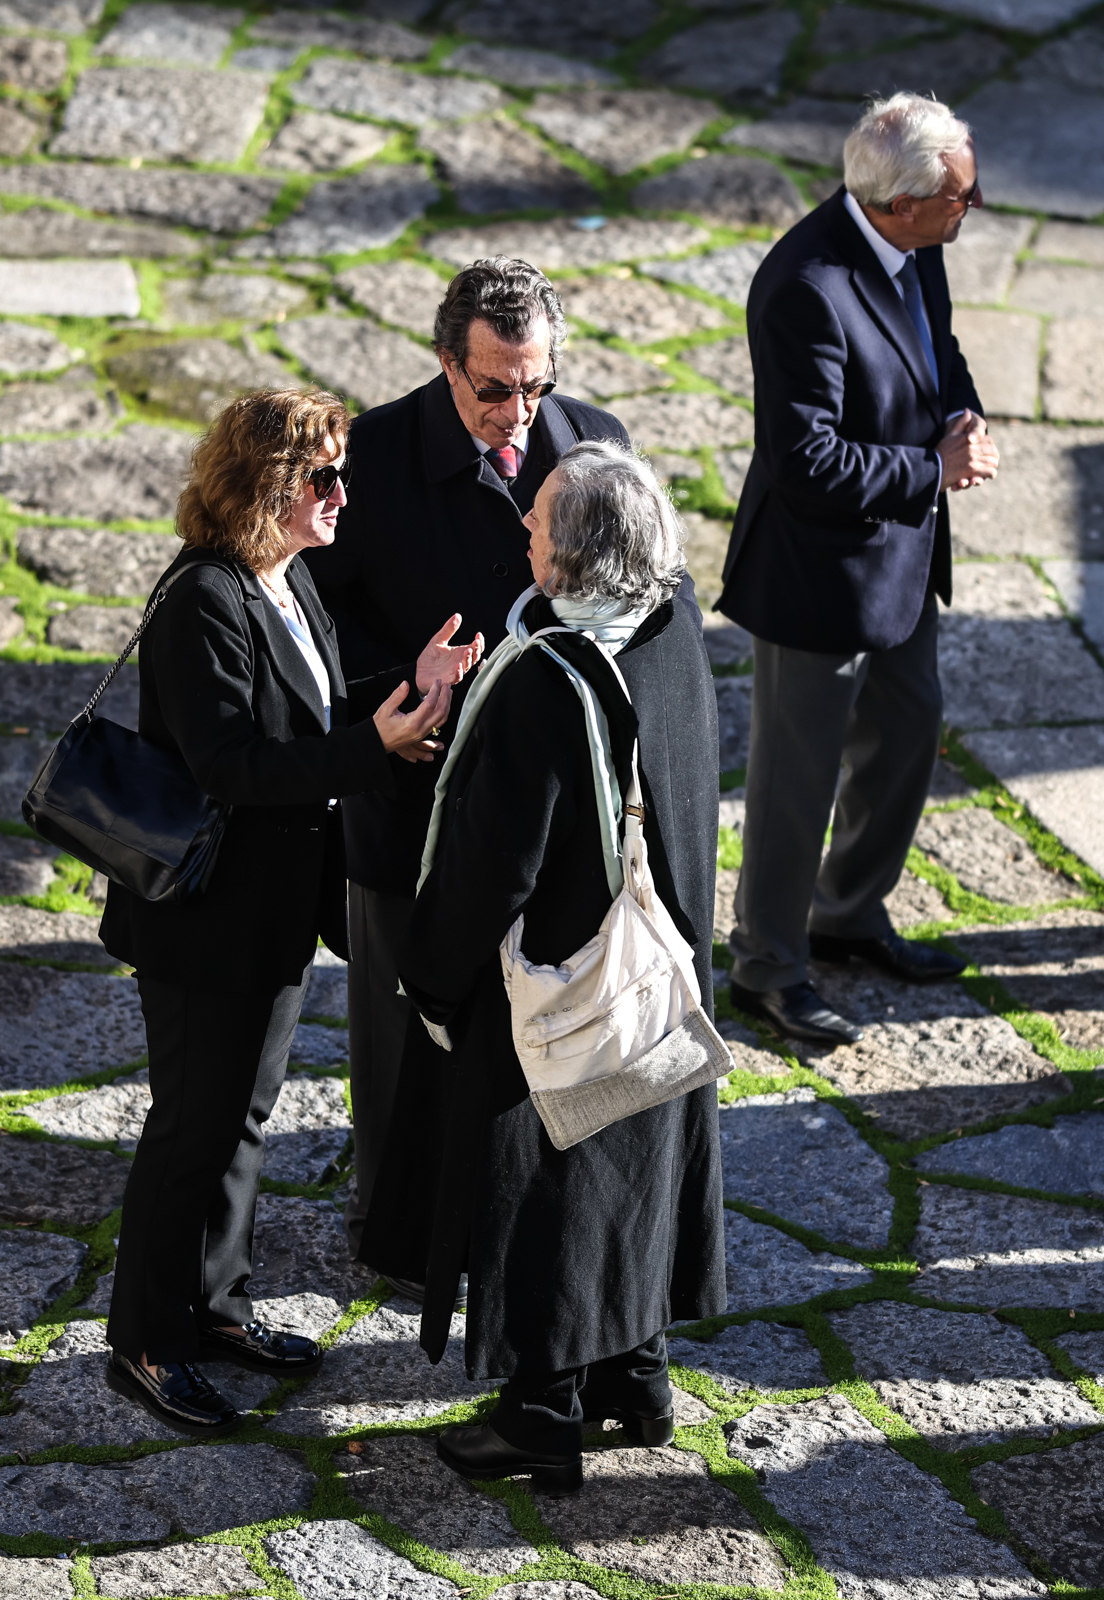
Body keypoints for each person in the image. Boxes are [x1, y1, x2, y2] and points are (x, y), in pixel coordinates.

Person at [99, 388, 481, 1438]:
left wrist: (407, 684)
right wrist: (376, 747)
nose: (343, 494)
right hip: (202, 922)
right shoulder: (202, 600)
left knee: (244, 1120)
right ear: (267, 484)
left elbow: (314, 703)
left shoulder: (287, 577)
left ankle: (215, 1311)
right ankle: (144, 1343)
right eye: (324, 477)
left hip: (265, 911)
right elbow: (233, 764)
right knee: (191, 1131)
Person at [361, 442, 724, 1495]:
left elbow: (493, 866)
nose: (522, 529)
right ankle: (637, 1379)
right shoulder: (670, 629)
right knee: (634, 1178)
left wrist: (431, 973)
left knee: (548, 1200)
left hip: (561, 991)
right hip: (655, 975)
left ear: (571, 560)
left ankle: (539, 1418)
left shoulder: (546, 681)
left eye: (537, 523)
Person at [302, 256, 639, 1273]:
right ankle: (394, 1230)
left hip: (547, 821)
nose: (518, 411)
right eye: (494, 387)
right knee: (399, 1033)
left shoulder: (595, 442)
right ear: (446, 360)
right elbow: (310, 625)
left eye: (537, 384)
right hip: (408, 798)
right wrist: (400, 685)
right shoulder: (366, 457)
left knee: (527, 1028)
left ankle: (506, 1223)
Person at [718, 92, 1000, 1047]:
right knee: (794, 783)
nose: (973, 208)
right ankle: (766, 967)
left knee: (908, 732)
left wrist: (960, 413)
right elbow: (806, 463)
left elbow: (937, 350)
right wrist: (934, 469)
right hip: (820, 576)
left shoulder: (919, 245)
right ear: (900, 203)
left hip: (901, 562)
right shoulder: (804, 287)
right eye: (962, 197)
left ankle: (846, 914)